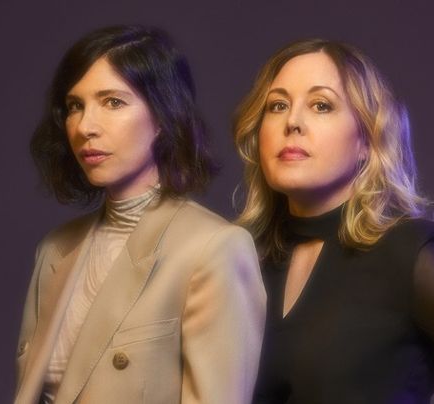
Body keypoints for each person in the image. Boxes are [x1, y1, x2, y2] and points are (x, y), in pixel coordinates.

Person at [233, 38, 434, 403]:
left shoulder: (405, 254)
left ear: (366, 140)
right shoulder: (242, 258)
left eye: (321, 105)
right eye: (277, 105)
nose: (292, 122)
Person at [14, 25, 265, 404]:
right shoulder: (54, 249)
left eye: (113, 102)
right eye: (75, 106)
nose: (85, 127)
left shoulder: (213, 249)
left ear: (163, 116)